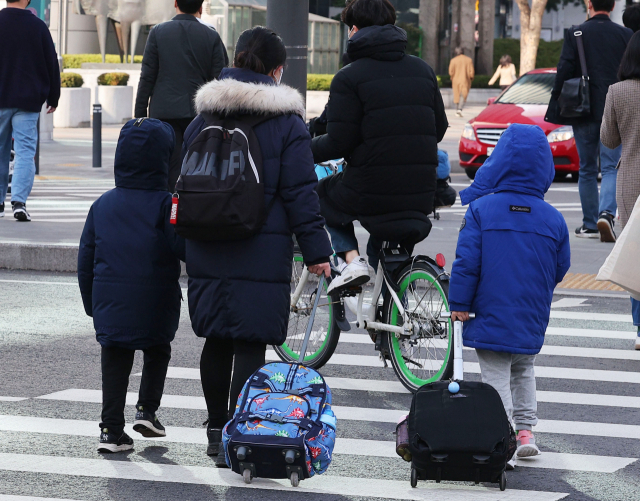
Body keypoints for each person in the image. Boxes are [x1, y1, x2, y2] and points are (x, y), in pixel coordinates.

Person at [182, 27, 333, 465]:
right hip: (260, 243)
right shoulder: (287, 122)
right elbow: (301, 192)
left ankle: (214, 429)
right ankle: (237, 430)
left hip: (207, 239)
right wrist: (318, 251)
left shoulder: (201, 117)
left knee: (216, 337)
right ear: (277, 70)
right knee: (249, 341)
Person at [449, 124, 571, 468]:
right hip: (531, 313)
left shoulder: (481, 211)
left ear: (498, 162)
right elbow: (561, 268)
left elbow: (467, 264)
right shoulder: (553, 219)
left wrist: (459, 305)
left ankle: (501, 439)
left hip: (489, 312)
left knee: (496, 377)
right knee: (524, 370)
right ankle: (526, 432)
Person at [311, 0, 448, 290]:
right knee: (387, 258)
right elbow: (439, 128)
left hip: (371, 189)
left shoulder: (349, 77)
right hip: (421, 191)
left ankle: (351, 259)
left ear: (355, 30)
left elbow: (338, 142)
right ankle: (389, 316)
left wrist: (304, 147)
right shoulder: (423, 70)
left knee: (319, 194)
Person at [78, 118, 185, 453]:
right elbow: (182, 247)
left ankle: (110, 430)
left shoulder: (102, 204)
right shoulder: (168, 204)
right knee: (158, 350)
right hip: (156, 301)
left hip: (110, 303)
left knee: (114, 359)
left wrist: (91, 305)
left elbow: (85, 260)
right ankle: (146, 410)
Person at [546, 0, 632, 242]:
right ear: (613, 6)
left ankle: (589, 224)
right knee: (610, 166)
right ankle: (607, 213)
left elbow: (564, 70)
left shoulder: (576, 33)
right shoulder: (625, 34)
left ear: (589, 4)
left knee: (586, 169)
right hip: (615, 107)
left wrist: (554, 105)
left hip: (583, 109)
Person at [135, 0, 228, 192]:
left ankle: (169, 207)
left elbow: (147, 76)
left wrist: (140, 114)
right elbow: (221, 80)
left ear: (175, 3)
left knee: (166, 165)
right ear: (200, 7)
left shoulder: (158, 32)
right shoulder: (211, 36)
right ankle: (190, 206)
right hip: (198, 115)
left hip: (163, 113)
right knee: (196, 165)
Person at [0, 0, 60, 222]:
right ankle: (19, 202)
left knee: (0, 150)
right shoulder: (38, 26)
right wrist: (54, 96)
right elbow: (51, 62)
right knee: (26, 151)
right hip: (28, 100)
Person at [600, 31, 640, 349]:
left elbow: (609, 140)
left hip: (631, 180)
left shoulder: (617, 91)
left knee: (634, 253)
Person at [449, 47, 475, 117]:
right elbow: (471, 72)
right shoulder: (469, 60)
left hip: (455, 80)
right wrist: (471, 78)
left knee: (456, 94)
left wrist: (452, 76)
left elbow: (451, 72)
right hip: (465, 80)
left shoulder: (453, 60)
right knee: (463, 94)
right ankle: (459, 109)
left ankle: (457, 109)